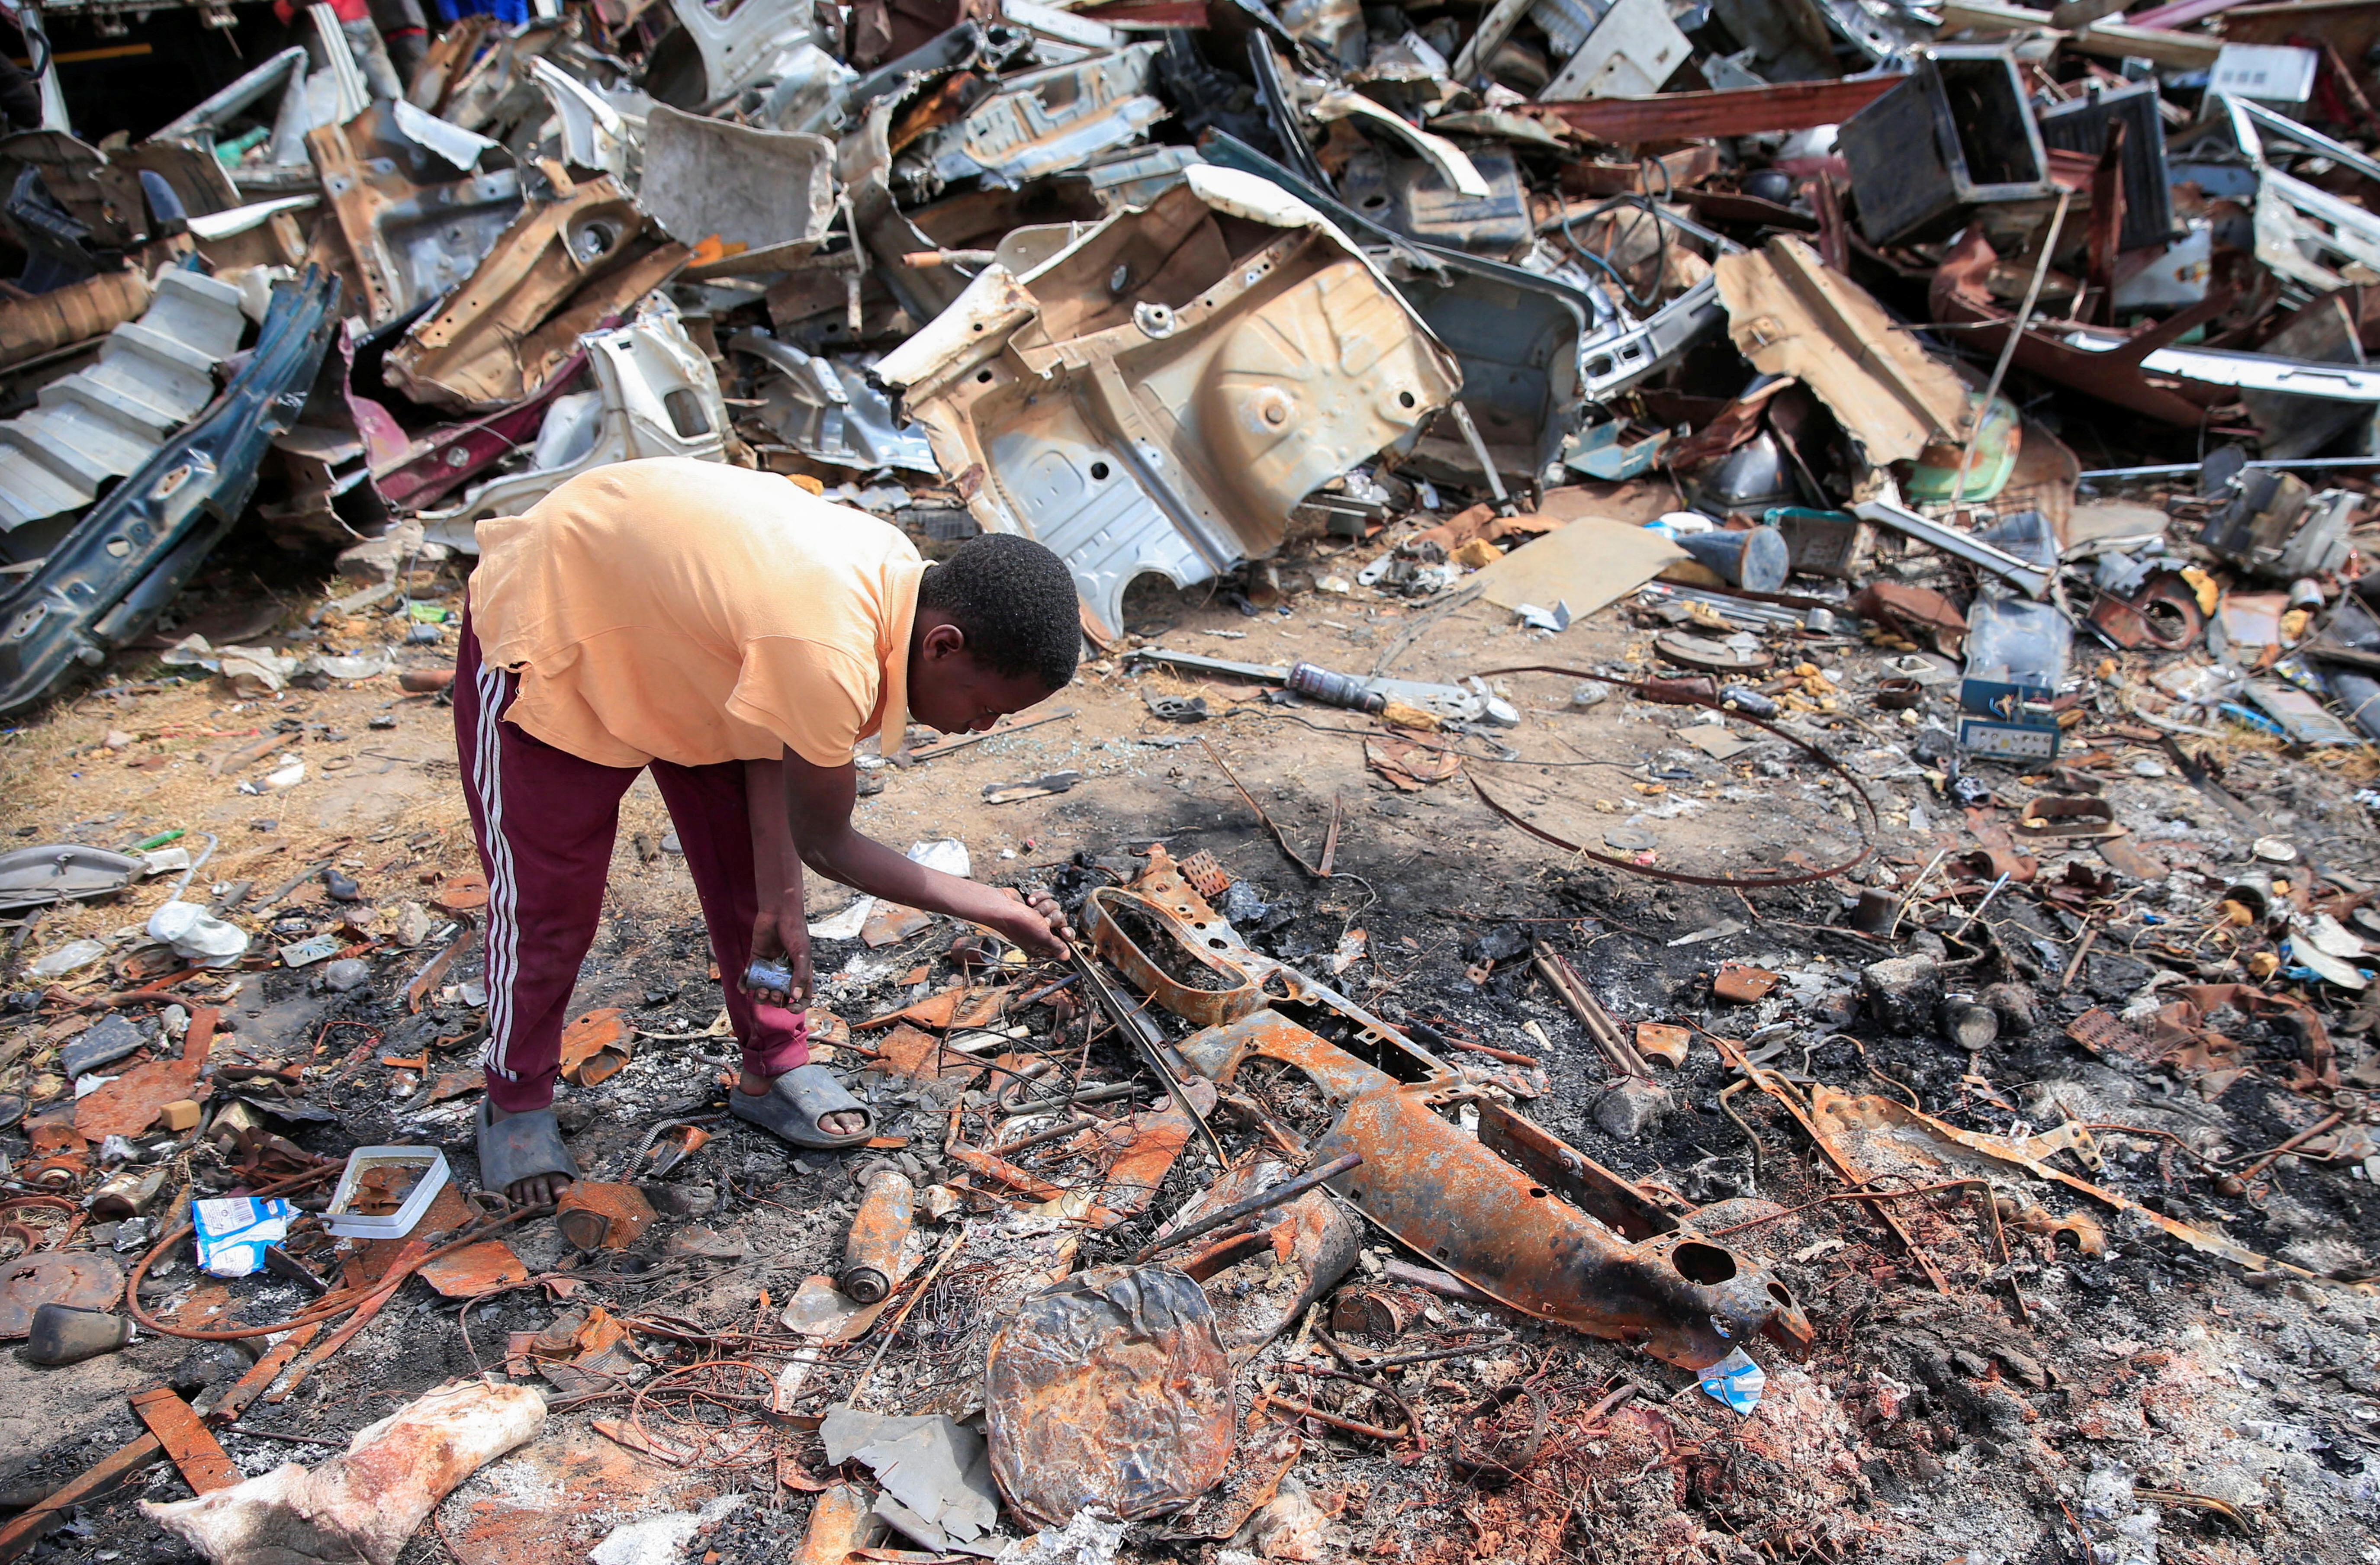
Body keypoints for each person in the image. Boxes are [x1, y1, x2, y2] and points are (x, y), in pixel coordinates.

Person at [457, 458, 1081, 1205]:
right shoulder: (835, 648)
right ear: (942, 646)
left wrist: (781, 898)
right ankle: (516, 1095)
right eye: (986, 709)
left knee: (758, 896)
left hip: (697, 653)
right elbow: (827, 842)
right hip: (565, 620)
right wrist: (995, 906)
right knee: (549, 904)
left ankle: (774, 1062)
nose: (980, 727)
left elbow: (777, 746)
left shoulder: (893, 589)